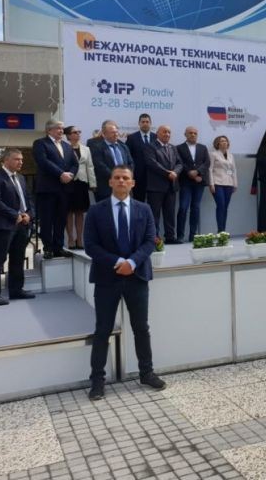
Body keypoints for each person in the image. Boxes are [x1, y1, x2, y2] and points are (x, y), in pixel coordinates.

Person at [82, 165, 166, 400]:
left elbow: (150, 241)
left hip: (137, 277)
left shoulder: (144, 209)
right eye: (117, 177)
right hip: (107, 278)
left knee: (141, 328)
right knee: (103, 329)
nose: (121, 181)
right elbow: (90, 245)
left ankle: (146, 373)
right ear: (110, 182)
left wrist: (132, 262)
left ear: (132, 183)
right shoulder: (96, 211)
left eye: (125, 178)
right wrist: (119, 262)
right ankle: (97, 381)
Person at [0, 148, 35, 305]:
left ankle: (16, 290)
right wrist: (15, 215)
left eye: (21, 159)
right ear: (5, 160)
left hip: (22, 225)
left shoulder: (21, 178)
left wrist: (29, 214)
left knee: (18, 259)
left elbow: (28, 199)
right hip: (3, 225)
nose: (20, 162)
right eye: (16, 159)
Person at [32, 119, 78, 259]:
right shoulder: (40, 143)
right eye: (58, 128)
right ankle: (48, 248)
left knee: (61, 219)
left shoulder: (67, 146)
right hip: (48, 188)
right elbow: (43, 161)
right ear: (49, 130)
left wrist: (70, 174)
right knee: (47, 220)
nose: (61, 131)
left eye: (62, 128)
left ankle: (59, 247)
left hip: (64, 189)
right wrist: (61, 174)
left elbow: (75, 164)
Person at [145, 124, 182, 243]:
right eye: (164, 132)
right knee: (154, 214)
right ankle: (154, 239)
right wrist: (167, 173)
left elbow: (179, 163)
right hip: (156, 187)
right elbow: (152, 163)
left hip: (171, 186)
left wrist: (175, 172)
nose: (167, 134)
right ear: (157, 133)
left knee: (170, 213)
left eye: (169, 132)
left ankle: (170, 237)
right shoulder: (150, 146)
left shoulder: (173, 147)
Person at [176, 126, 210, 242]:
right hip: (185, 181)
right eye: (190, 133)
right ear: (185, 134)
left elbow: (206, 163)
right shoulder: (179, 148)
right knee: (183, 207)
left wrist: (198, 172)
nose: (193, 135)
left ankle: (193, 235)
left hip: (199, 182)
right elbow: (179, 162)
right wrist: (189, 172)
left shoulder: (203, 147)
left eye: (195, 133)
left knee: (195, 208)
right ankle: (180, 235)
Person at [64, 126, 96, 249]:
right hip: (68, 182)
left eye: (79, 132)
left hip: (81, 182)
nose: (78, 134)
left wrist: (92, 183)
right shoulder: (63, 147)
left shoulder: (86, 149)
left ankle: (80, 239)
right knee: (69, 211)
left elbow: (90, 166)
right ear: (68, 135)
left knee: (80, 212)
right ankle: (70, 239)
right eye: (74, 132)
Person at [91, 120, 134, 202]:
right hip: (106, 188)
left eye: (116, 132)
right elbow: (100, 166)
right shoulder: (97, 147)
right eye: (112, 132)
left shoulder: (123, 146)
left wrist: (127, 176)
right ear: (104, 134)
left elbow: (131, 163)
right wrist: (116, 177)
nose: (116, 134)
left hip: (125, 187)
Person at [125, 113, 157, 202]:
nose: (145, 124)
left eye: (147, 122)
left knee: (154, 203)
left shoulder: (156, 137)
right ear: (139, 123)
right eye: (143, 122)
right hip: (138, 176)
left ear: (150, 123)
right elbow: (127, 156)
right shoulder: (131, 138)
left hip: (154, 177)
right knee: (138, 201)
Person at [209, 136, 237, 232]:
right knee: (220, 206)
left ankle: (223, 231)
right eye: (222, 141)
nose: (224, 142)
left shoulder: (231, 155)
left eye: (225, 141)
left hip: (229, 184)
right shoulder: (213, 154)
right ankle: (220, 230)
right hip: (217, 183)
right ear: (218, 143)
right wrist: (211, 184)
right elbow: (210, 169)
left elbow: (233, 170)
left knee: (225, 207)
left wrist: (235, 183)